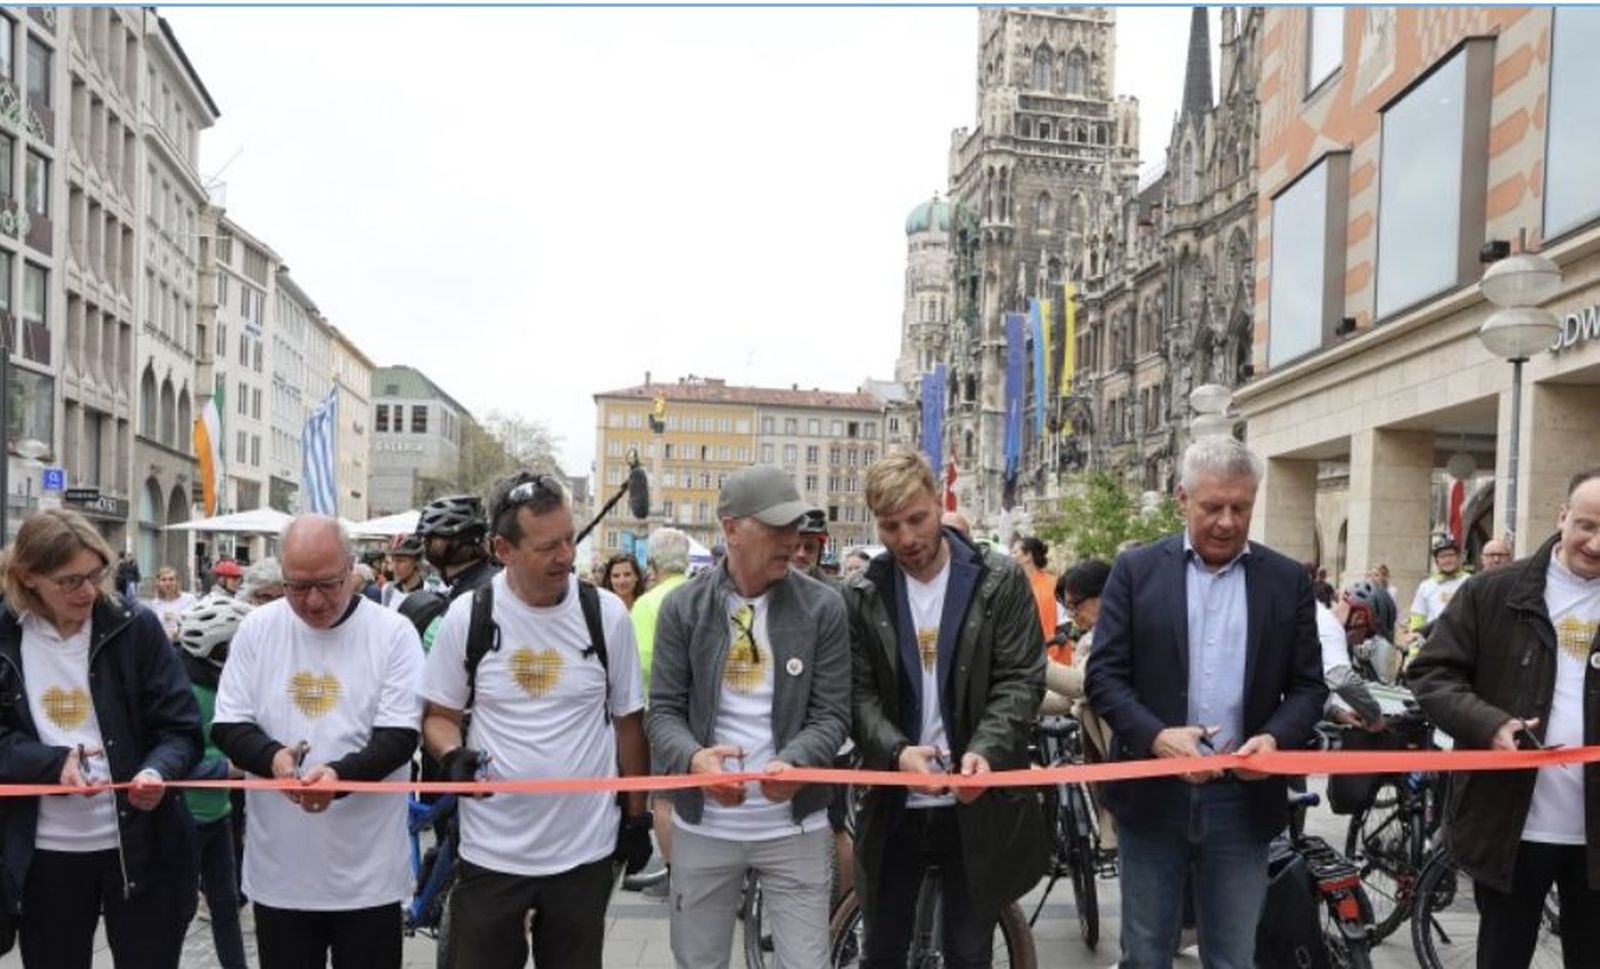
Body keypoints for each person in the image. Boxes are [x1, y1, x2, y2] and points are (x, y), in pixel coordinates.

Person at [1084, 436, 1326, 968]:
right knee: (1146, 953)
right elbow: (1103, 676)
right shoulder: (1136, 572)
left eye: (1240, 507)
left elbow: (1309, 686)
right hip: (1152, 798)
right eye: (1212, 506)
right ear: (1181, 500)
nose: (1226, 521)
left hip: (1243, 802)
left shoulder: (1286, 581)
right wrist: (1155, 736)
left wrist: (1276, 739)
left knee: (1233, 956)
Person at [422, 472, 649, 968]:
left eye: (569, 538)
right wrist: (450, 753)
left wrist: (637, 817)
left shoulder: (606, 615)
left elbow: (629, 724)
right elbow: (438, 715)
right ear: (504, 549)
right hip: (492, 850)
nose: (567, 556)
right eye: (549, 547)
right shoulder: (469, 615)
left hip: (583, 851)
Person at [844, 450, 1048, 969]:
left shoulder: (998, 580)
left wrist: (986, 749)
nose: (907, 539)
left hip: (975, 804)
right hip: (894, 804)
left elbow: (1020, 679)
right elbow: (855, 693)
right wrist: (894, 751)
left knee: (969, 951)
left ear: (939, 502)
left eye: (917, 519)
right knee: (883, 950)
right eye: (891, 526)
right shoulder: (864, 593)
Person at [647, 465, 850, 969]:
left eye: (796, 528)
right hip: (705, 824)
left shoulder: (824, 607)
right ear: (731, 528)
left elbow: (832, 714)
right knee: (698, 960)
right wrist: (695, 760)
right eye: (777, 527)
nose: (792, 540)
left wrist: (796, 760)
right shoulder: (683, 609)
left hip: (795, 825)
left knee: (806, 963)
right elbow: (663, 713)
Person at [211, 515, 423, 969]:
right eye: (297, 586)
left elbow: (400, 736)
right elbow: (229, 724)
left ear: (352, 568)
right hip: (281, 873)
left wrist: (339, 776)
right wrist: (273, 758)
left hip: (368, 875)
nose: (313, 601)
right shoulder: (257, 629)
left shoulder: (392, 633)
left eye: (328, 584)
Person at [1410, 468, 1600, 967]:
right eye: (1586, 525)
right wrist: (1488, 724)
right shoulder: (1493, 592)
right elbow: (1430, 673)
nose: (1596, 543)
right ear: (1562, 517)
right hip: (1510, 830)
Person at [0, 508, 203, 969]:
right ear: (29, 577)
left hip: (140, 848)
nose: (89, 591)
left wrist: (157, 770)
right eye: (70, 581)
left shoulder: (135, 625)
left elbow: (181, 728)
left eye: (97, 574)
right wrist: (51, 763)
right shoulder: (6, 635)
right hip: (43, 856)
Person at [175, 593, 255, 969]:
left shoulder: (223, 685)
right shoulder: (184, 691)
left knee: (226, 905)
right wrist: (230, 768)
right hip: (183, 819)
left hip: (218, 812)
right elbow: (176, 759)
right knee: (176, 913)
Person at [629, 527, 692, 895]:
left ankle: (675, 874)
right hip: (705, 713)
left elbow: (641, 662)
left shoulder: (649, 603)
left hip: (664, 713)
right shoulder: (704, 593)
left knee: (664, 798)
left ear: (651, 563)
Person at [1409, 533, 1470, 634]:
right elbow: (1418, 617)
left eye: (1450, 555)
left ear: (1458, 557)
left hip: (1463, 642)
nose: (1447, 560)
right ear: (1436, 560)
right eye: (1442, 556)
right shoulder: (1426, 586)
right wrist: (1415, 647)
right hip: (1434, 642)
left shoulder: (1469, 581)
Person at [1011, 536, 1060, 642]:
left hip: (1054, 650)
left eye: (1015, 552)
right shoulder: (1012, 587)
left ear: (1028, 556)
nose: (1010, 556)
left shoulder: (1054, 584)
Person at [142, 565, 197, 641]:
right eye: (163, 580)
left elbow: (195, 622)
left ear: (177, 582)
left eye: (171, 579)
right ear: (158, 583)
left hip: (184, 643)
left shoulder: (189, 599)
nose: (167, 583)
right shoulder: (154, 604)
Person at [382, 534, 426, 611]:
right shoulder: (388, 590)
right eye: (393, 560)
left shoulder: (429, 591)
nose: (394, 566)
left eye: (401, 561)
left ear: (417, 562)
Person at [792, 509, 829, 579]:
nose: (801, 554)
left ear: (820, 551)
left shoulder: (834, 589)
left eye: (809, 547)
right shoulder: (767, 587)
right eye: (794, 546)